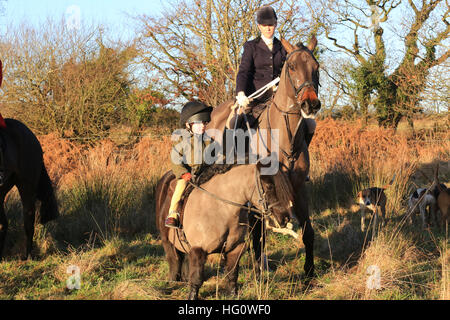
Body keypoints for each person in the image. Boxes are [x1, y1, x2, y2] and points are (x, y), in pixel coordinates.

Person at [233, 5, 316, 148]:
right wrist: (241, 93)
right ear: (259, 26)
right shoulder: (251, 46)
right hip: (256, 97)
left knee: (310, 124)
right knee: (238, 121)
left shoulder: (284, 47)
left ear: (276, 25)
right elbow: (244, 72)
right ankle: (237, 156)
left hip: (279, 96)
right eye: (264, 25)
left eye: (271, 25)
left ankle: (300, 153)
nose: (268, 28)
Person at [165, 100, 214, 229]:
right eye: (198, 123)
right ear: (188, 124)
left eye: (204, 122)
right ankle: (173, 214)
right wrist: (183, 173)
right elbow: (176, 159)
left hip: (205, 174)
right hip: (187, 174)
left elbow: (218, 156)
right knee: (180, 186)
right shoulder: (181, 139)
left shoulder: (209, 140)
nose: (202, 126)